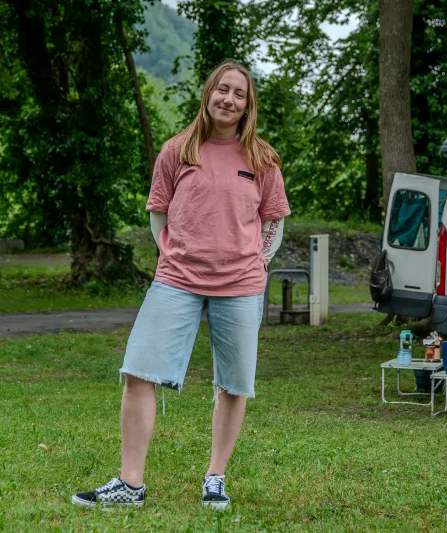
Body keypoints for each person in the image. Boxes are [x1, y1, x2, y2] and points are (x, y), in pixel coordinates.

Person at [72, 60, 290, 511]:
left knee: (234, 384)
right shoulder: (178, 150)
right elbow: (159, 212)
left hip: (241, 285)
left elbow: (273, 221)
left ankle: (216, 477)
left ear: (249, 105)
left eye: (239, 94)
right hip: (177, 280)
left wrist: (259, 262)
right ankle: (130, 484)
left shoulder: (262, 158)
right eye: (222, 90)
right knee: (137, 372)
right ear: (208, 93)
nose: (229, 99)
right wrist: (170, 252)